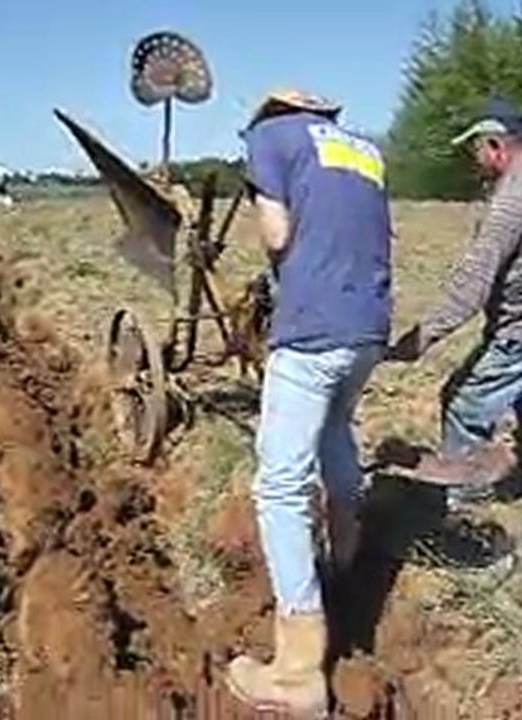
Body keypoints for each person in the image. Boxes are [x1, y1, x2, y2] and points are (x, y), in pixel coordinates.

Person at [225, 89, 393, 716]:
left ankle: (297, 672)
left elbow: (276, 232)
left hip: (313, 329)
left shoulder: (271, 138)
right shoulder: (366, 151)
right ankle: (343, 563)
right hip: (368, 328)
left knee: (279, 486)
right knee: (335, 430)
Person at [390, 95, 522, 551]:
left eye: (477, 149)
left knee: (464, 405)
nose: (475, 159)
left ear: (497, 145)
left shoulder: (516, 196)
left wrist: (419, 339)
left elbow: (473, 282)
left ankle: (461, 516)